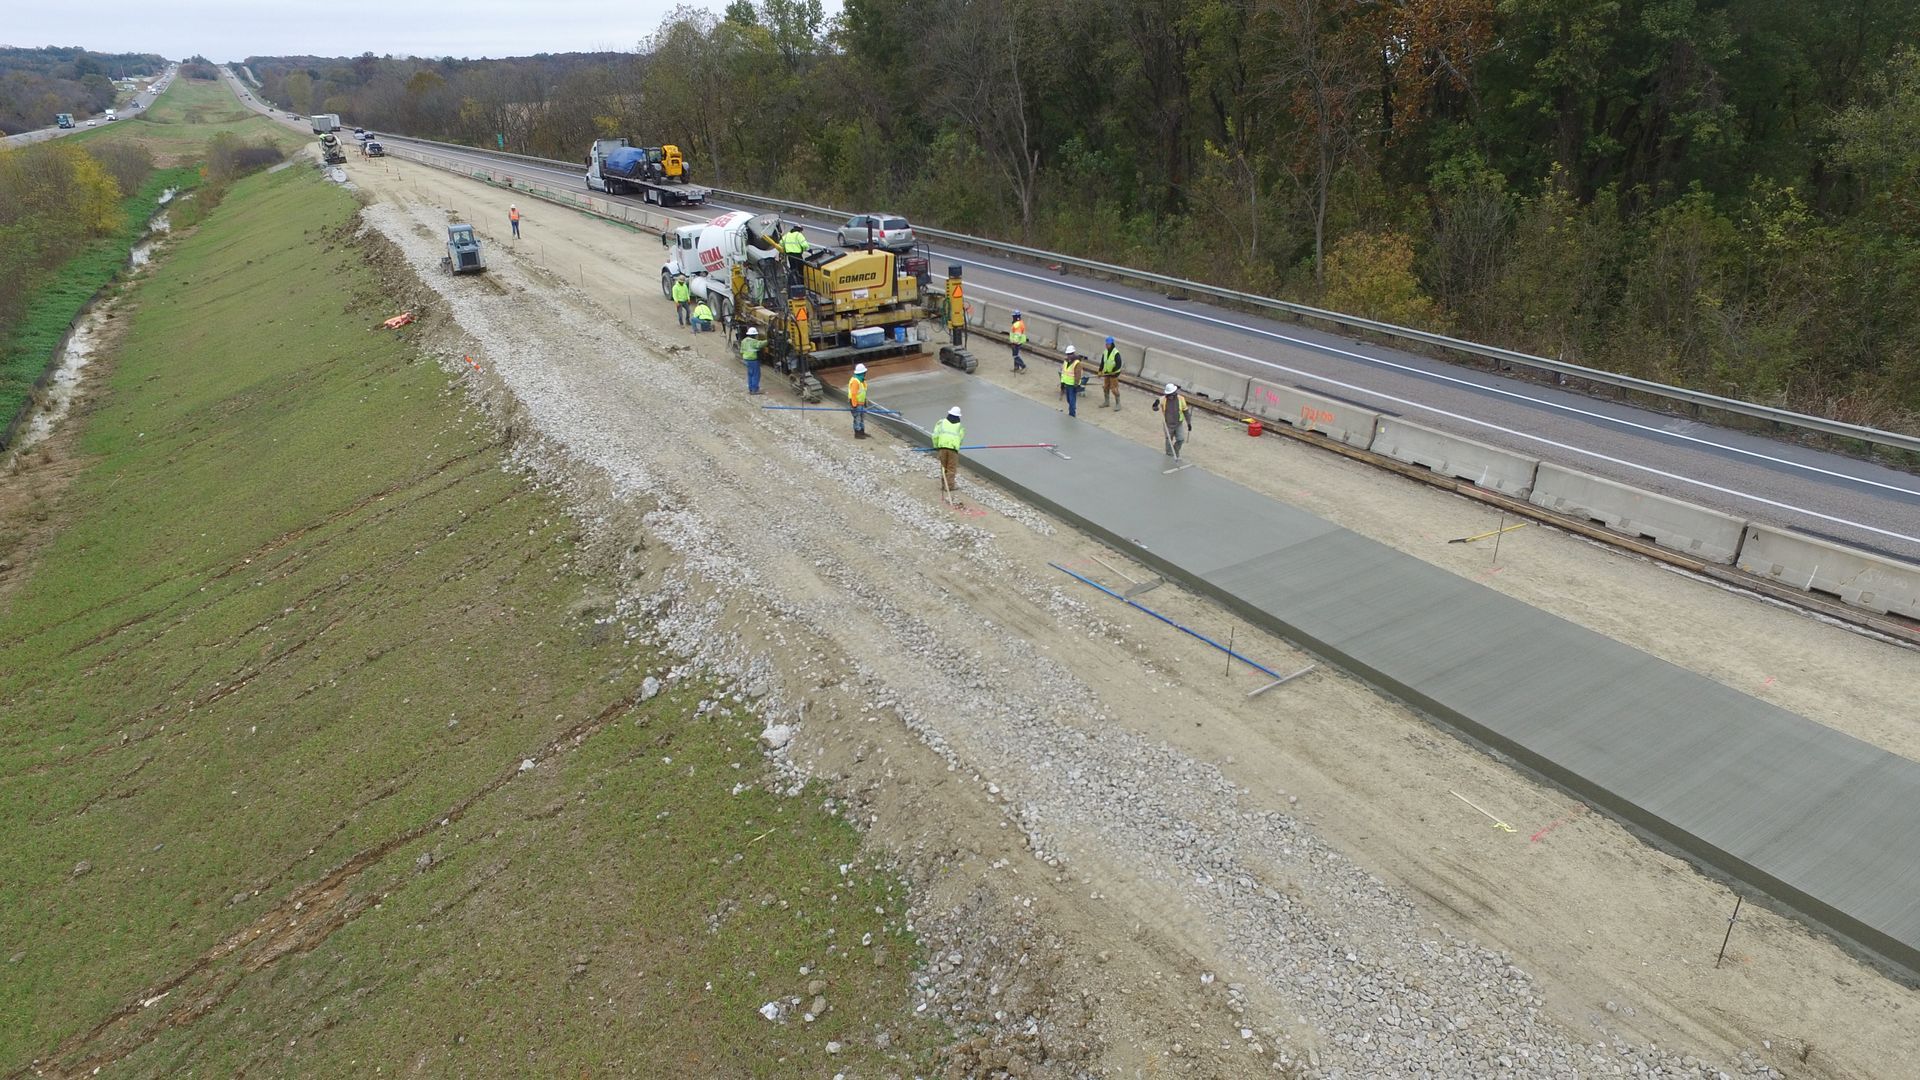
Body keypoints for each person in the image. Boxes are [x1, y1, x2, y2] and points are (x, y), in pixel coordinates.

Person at [1154, 382, 1191, 459]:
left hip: (1178, 423)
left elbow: (1186, 411)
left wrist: (1189, 423)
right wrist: (1155, 405)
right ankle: (1169, 455)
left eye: (1172, 395)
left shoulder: (1181, 399)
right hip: (1168, 424)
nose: (1170, 397)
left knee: (1180, 439)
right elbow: (1155, 408)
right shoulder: (1163, 399)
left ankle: (1175, 451)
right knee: (1169, 440)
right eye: (1169, 395)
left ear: (1175, 393)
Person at [931, 407, 965, 492]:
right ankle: (949, 487)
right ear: (958, 417)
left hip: (942, 448)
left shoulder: (941, 423)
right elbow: (961, 439)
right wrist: (957, 447)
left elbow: (935, 435)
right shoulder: (960, 426)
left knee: (943, 467)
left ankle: (944, 485)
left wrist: (936, 446)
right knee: (951, 468)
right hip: (953, 449)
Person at [1099, 336, 1123, 409]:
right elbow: (1102, 362)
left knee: (1114, 389)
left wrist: (1114, 371)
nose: (1106, 345)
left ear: (1112, 344)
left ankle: (1118, 404)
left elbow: (1119, 364)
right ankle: (1106, 402)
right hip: (1107, 373)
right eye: (1106, 344)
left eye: (1108, 344)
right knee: (1105, 387)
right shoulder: (1105, 352)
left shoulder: (1116, 353)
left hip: (1114, 374)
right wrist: (1100, 370)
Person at [847, 362, 871, 439]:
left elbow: (863, 392)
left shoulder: (862, 381)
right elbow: (853, 394)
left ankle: (862, 432)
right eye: (864, 373)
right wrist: (854, 405)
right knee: (857, 418)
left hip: (861, 403)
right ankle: (857, 434)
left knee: (862, 418)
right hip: (856, 404)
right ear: (862, 373)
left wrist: (865, 402)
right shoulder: (855, 381)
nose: (865, 374)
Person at [1059, 345, 1083, 417]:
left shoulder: (1077, 363)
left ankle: (1072, 414)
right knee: (1069, 400)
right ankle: (1072, 410)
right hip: (1066, 384)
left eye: (1070, 354)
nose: (1069, 356)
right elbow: (1063, 372)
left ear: (1073, 353)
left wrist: (1076, 384)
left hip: (1072, 385)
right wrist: (1062, 384)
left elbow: (1078, 375)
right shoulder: (1066, 361)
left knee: (1072, 401)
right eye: (1068, 354)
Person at [740, 327, 763, 394]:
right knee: (756, 375)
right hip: (753, 360)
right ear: (754, 335)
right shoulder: (754, 342)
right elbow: (760, 347)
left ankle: (750, 389)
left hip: (747, 360)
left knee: (750, 374)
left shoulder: (744, 341)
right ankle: (754, 390)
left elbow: (741, 351)